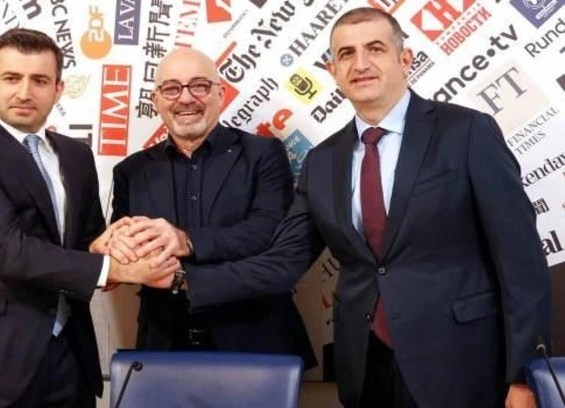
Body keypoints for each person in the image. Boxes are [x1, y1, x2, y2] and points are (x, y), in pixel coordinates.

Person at [148, 8, 551, 408]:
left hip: (463, 365)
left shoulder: (467, 132)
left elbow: (521, 260)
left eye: (375, 48)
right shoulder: (322, 161)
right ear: (333, 71)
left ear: (405, 60)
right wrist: (182, 279)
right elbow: (282, 262)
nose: (360, 64)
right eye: (346, 54)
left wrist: (524, 374)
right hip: (367, 368)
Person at [0, 28, 178, 408]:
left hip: (69, 357)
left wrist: (111, 245)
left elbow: (84, 241)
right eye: (12, 78)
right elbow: (6, 250)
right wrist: (117, 269)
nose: (24, 92)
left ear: (58, 89)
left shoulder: (76, 156)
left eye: (39, 80)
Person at [105, 48, 316, 368]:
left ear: (221, 94)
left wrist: (186, 241)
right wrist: (117, 252)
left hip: (256, 343)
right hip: (163, 346)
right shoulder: (130, 172)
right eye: (171, 88)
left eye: (199, 86)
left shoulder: (263, 154)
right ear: (156, 100)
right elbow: (123, 251)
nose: (185, 98)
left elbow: (268, 233)